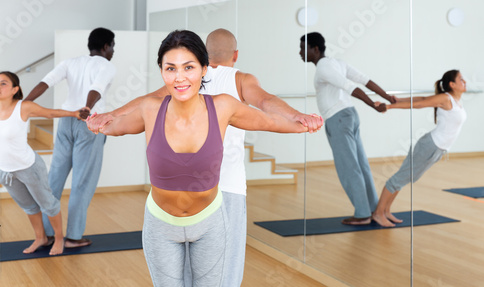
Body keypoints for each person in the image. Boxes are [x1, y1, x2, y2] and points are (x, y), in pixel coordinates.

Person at [87, 28, 323, 286]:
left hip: (214, 210)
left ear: (204, 67)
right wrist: (101, 121)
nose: (180, 76)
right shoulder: (159, 103)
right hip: (170, 217)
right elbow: (122, 122)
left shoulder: (222, 102)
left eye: (188, 67)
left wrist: (301, 121)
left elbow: (267, 119)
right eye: (171, 69)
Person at [24, 27, 116, 248]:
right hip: (88, 122)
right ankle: (74, 237)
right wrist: (87, 106)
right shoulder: (106, 65)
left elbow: (46, 82)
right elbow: (97, 88)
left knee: (54, 178)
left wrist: (24, 103)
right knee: (82, 183)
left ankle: (46, 235)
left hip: (65, 121)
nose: (113, 51)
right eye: (113, 46)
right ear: (105, 46)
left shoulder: (70, 62)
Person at [300, 32, 396, 225]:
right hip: (349, 115)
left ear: (315, 49)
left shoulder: (324, 67)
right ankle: (372, 209)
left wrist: (374, 105)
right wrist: (386, 97)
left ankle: (362, 214)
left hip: (338, 119)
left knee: (349, 168)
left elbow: (351, 86)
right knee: (361, 166)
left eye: (303, 48)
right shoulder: (337, 63)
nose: (300, 52)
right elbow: (365, 79)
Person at [0, 71, 86, 255]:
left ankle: (58, 239)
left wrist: (74, 113)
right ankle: (41, 238)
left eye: (3, 84)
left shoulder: (24, 107)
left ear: (15, 89)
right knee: (29, 206)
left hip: (28, 168)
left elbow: (50, 113)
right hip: (5, 170)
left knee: (48, 204)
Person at [372, 70, 467, 227]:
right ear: (452, 84)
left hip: (437, 149)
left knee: (408, 177)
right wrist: (389, 107)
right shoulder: (446, 98)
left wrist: (398, 100)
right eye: (461, 79)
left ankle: (386, 211)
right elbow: (421, 103)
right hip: (430, 146)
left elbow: (423, 98)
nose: (465, 82)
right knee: (401, 177)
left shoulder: (457, 101)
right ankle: (378, 213)